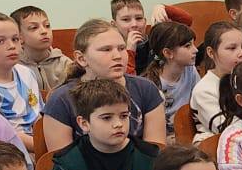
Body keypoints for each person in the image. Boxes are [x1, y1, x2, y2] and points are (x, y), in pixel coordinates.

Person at [40, 21, 166, 152]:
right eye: (106, 50)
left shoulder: (146, 89)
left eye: (121, 48)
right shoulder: (61, 100)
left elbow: (155, 152)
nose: (117, 56)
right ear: (81, 58)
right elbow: (62, 159)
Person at [190, 22, 242, 138]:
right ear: (211, 52)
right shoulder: (204, 90)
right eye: (232, 48)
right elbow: (226, 129)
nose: (241, 54)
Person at [144, 21, 199, 126]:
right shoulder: (149, 84)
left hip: (186, 129)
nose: (195, 50)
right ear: (168, 53)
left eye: (193, 44)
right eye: (188, 46)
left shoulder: (191, 70)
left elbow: (198, 104)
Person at [13, 6, 74, 94]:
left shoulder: (65, 64)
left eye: (47, 26)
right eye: (34, 27)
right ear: (19, 37)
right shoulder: (14, 66)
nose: (44, 31)